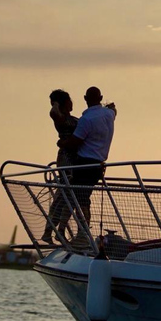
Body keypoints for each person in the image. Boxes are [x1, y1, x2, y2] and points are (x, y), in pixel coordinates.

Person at [57, 87, 117, 247]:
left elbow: (75, 141)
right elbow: (113, 110)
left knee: (79, 198)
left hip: (84, 163)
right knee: (80, 197)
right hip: (98, 165)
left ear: (85, 98)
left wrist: (62, 143)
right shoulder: (109, 115)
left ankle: (81, 235)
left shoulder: (86, 119)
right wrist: (110, 106)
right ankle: (71, 231)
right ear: (101, 97)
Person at [41, 89, 79, 244]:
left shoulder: (70, 118)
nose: (72, 103)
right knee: (62, 195)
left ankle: (60, 229)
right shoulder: (61, 118)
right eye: (69, 100)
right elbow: (53, 112)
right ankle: (49, 231)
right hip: (66, 159)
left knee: (71, 195)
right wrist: (56, 103)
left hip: (75, 159)